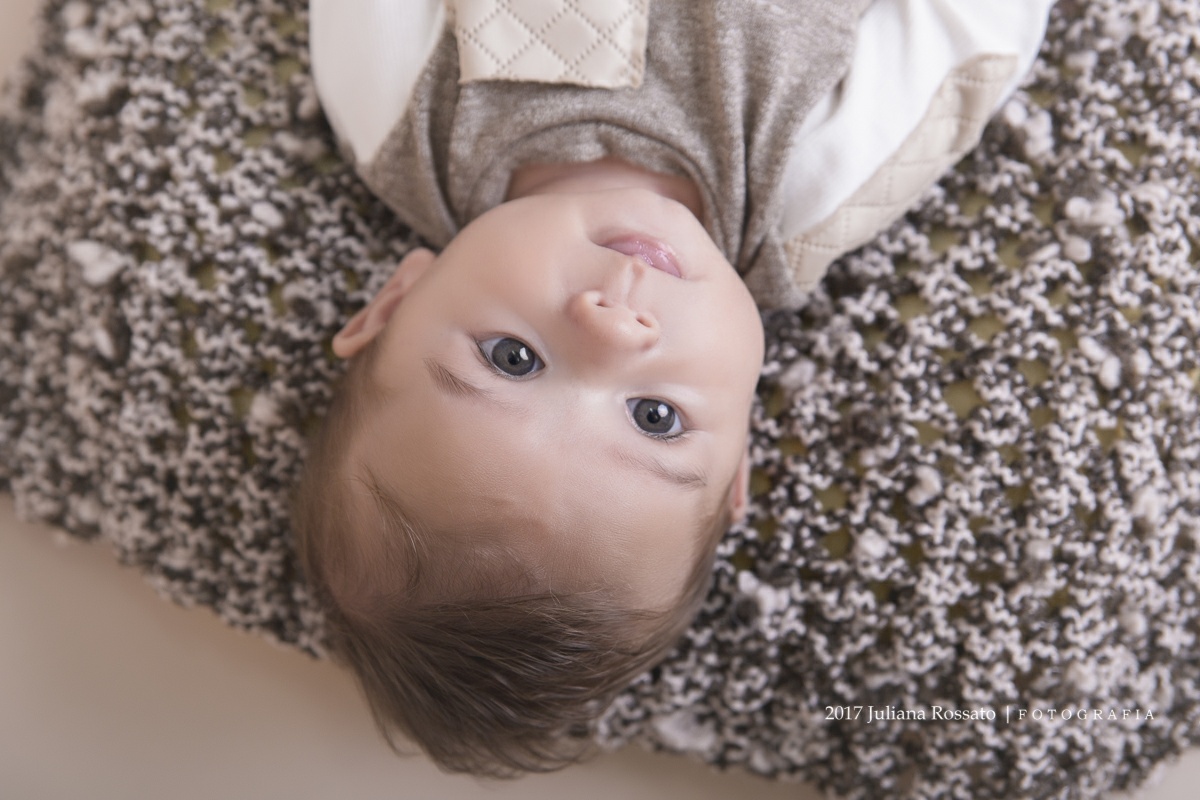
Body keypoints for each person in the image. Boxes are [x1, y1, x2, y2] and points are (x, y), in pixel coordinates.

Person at [292, 0, 1055, 777]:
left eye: (513, 359)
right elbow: (976, 33)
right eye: (655, 417)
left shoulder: (398, 114)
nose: (614, 327)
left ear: (391, 307)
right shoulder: (814, 190)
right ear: (740, 455)